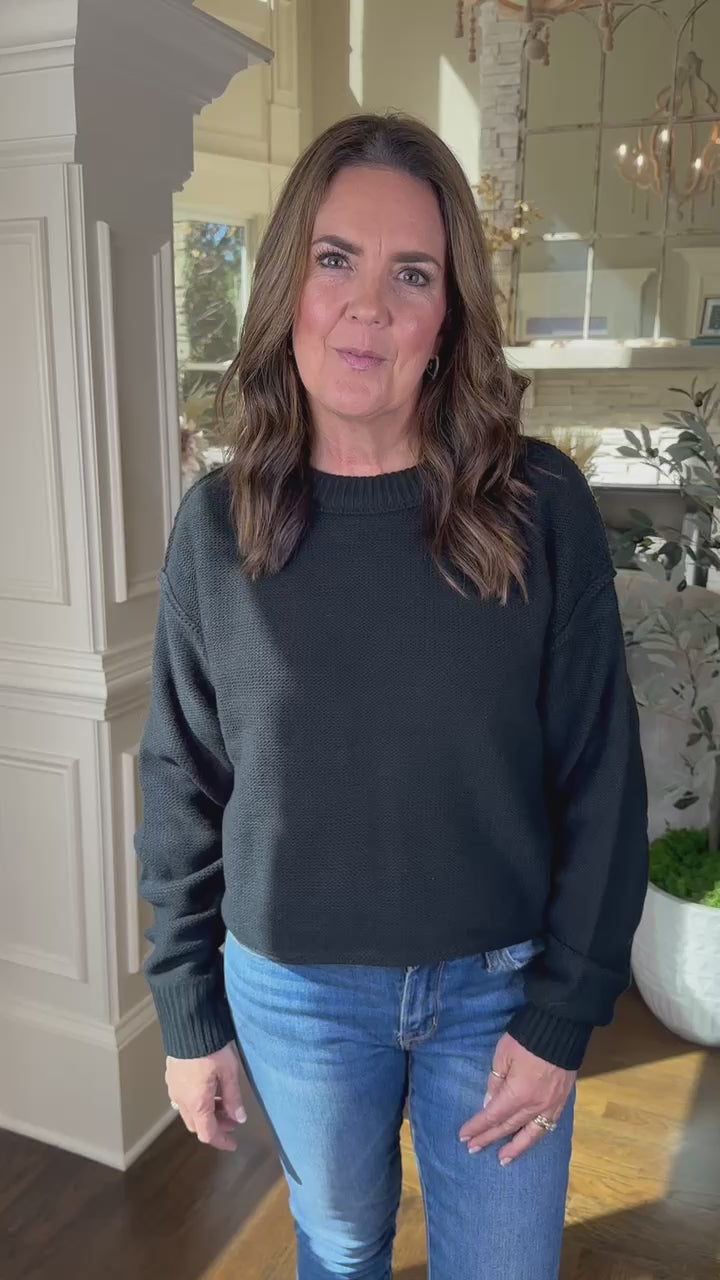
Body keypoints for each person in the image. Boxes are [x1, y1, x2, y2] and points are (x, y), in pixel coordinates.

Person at [135, 112, 649, 1280]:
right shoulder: (217, 528)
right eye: (336, 259)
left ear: (448, 315)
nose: (366, 306)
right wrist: (186, 1010)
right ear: (288, 286)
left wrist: (563, 1012)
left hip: (500, 990)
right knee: (340, 1246)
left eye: (411, 272)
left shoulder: (538, 508)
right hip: (295, 996)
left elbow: (603, 779)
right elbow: (181, 780)